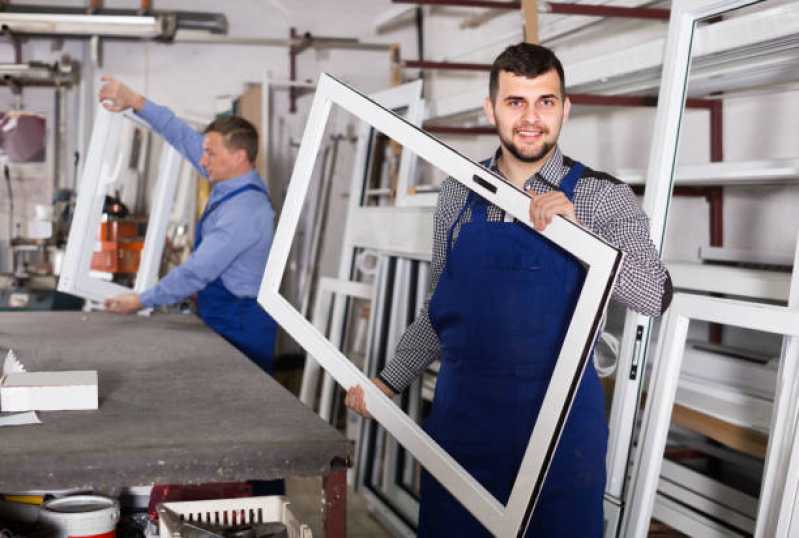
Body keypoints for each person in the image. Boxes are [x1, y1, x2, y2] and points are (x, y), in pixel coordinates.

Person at [344, 43, 673, 536]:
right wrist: (388, 381)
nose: (531, 118)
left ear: (565, 108)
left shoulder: (602, 195)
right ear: (491, 108)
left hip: (560, 433)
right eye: (516, 102)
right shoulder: (460, 193)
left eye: (545, 101)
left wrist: (583, 236)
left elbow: (654, 294)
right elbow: (438, 309)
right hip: (463, 423)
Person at [99, 77, 278, 375]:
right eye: (205, 151)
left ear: (239, 157)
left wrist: (140, 300)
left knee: (241, 409)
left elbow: (198, 272)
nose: (202, 159)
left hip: (242, 325)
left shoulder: (245, 212)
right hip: (221, 313)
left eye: (211, 154)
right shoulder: (227, 177)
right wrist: (135, 101)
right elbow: (180, 134)